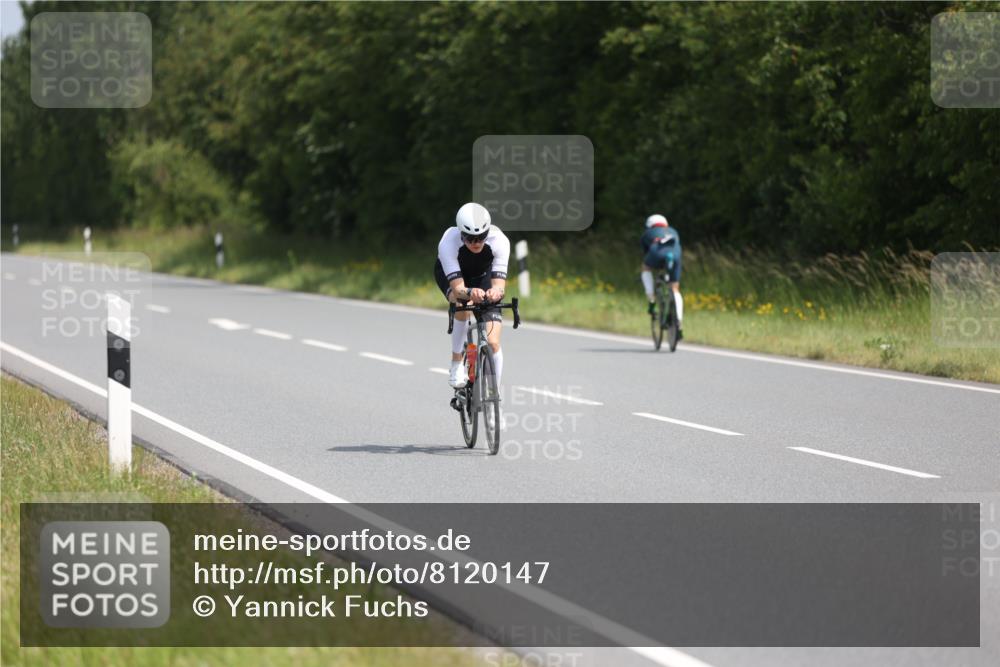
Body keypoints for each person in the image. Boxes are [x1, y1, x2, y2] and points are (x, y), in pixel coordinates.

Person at [434, 202, 510, 388]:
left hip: (483, 275)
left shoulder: (499, 241)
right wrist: (469, 292)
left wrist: (495, 292)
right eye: (469, 238)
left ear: (488, 232)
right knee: (462, 302)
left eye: (481, 237)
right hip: (454, 276)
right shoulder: (448, 242)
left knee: (493, 343)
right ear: (461, 233)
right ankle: (456, 362)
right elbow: (459, 288)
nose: (476, 243)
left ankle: (493, 395)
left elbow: (499, 286)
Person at [640, 214, 683, 338]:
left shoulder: (647, 233)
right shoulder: (673, 231)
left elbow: (646, 253)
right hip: (675, 254)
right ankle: (679, 320)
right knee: (675, 288)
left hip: (657, 252)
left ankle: (651, 297)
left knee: (645, 267)